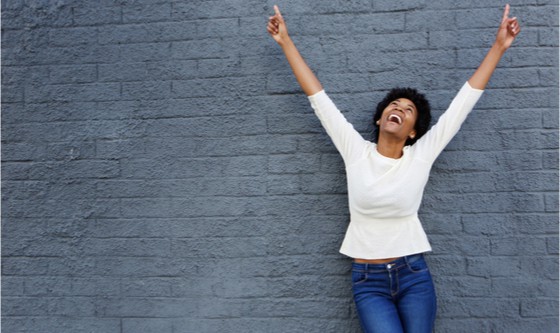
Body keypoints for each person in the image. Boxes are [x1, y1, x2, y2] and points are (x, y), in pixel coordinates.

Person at [267, 4, 521, 333]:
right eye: (393, 105)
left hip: (413, 275)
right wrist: (285, 41)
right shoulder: (355, 151)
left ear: (413, 130)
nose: (398, 108)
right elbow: (318, 98)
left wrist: (499, 47)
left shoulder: (421, 155)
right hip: (368, 282)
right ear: (380, 117)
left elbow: (463, 102)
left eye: (408, 109)